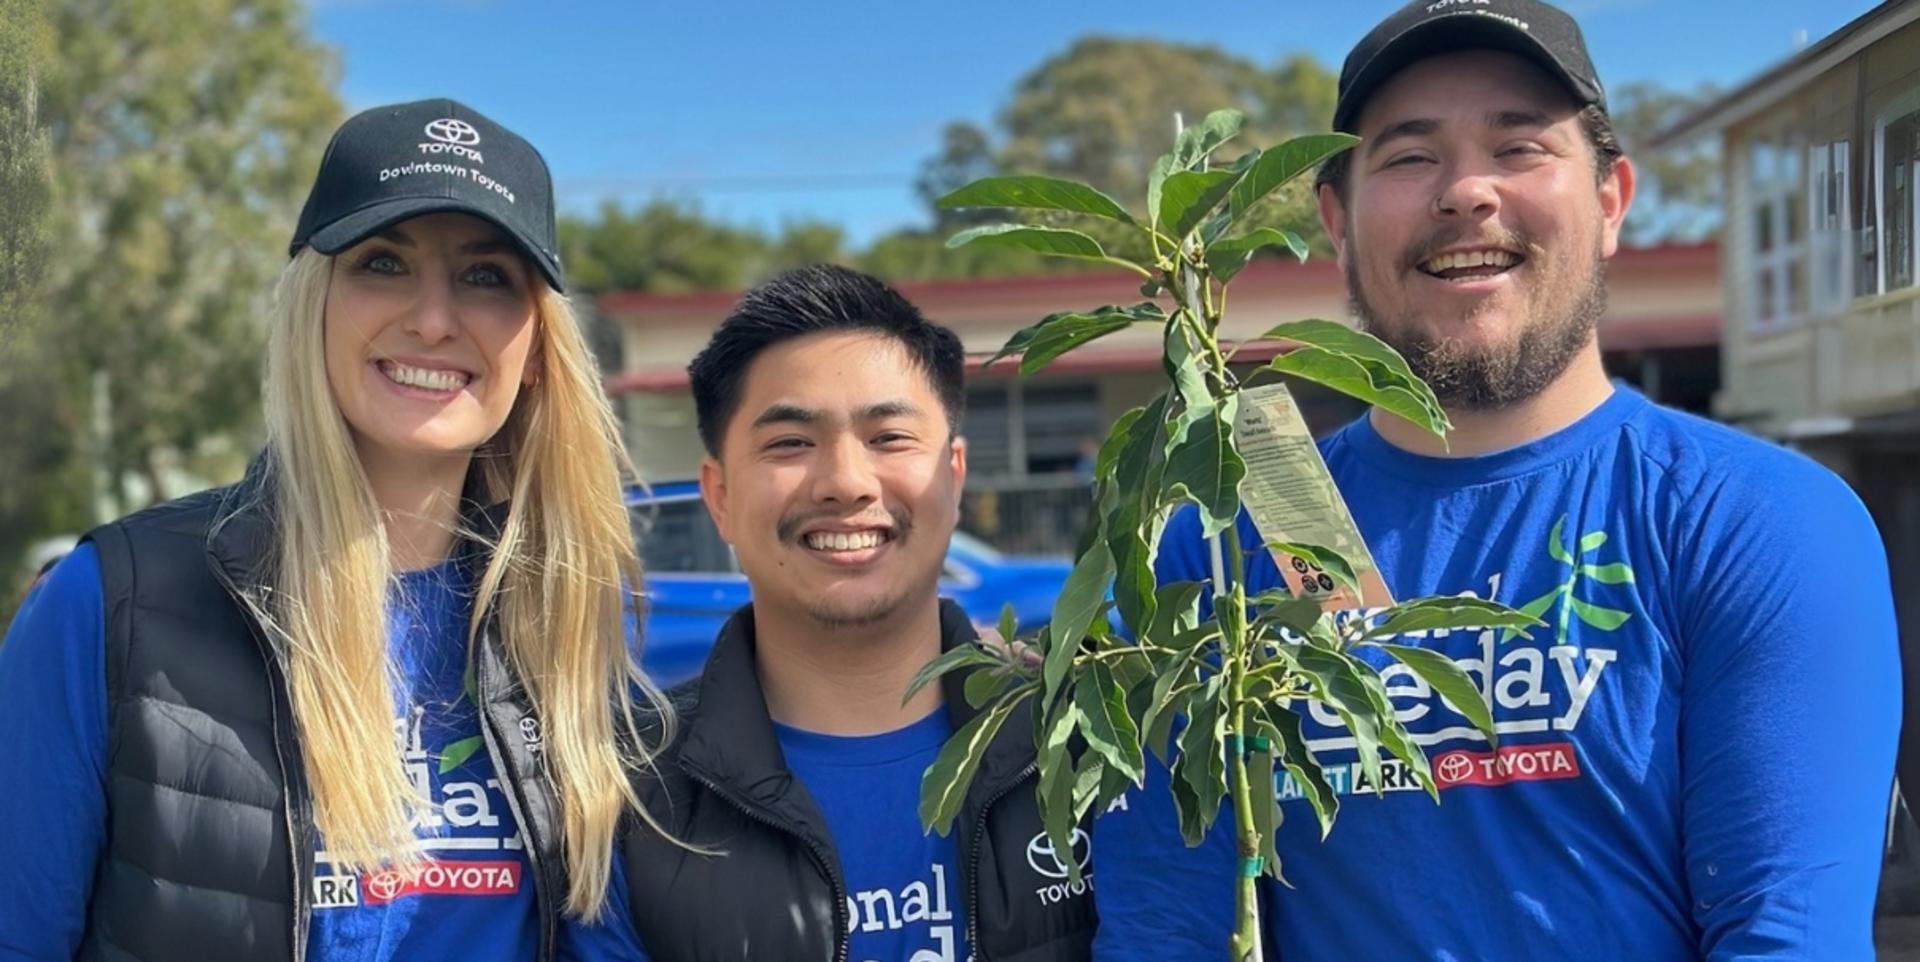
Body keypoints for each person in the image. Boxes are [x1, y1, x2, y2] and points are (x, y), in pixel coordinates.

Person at [1091, 1, 1901, 959]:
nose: (1466, 191)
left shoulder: (1758, 521)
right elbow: (1164, 927)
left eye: (1519, 148)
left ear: (1609, 201)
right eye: (1408, 155)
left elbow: (1786, 933)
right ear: (1337, 219)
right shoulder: (1223, 543)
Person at [0, 99, 674, 961]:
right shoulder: (109, 604)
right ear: (312, 307)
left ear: (538, 347)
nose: (433, 319)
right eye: (383, 263)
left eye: (485, 276)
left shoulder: (575, 619)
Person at [585, 265, 1097, 961]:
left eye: (889, 437)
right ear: (721, 496)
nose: (847, 484)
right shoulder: (621, 800)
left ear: (953, 475)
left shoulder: (1088, 743)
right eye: (790, 443)